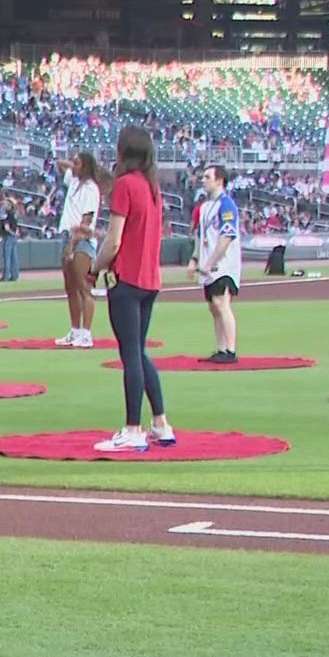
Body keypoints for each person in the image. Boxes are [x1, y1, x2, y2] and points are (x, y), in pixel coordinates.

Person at [94, 125, 173, 453]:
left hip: (126, 278)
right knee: (138, 351)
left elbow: (114, 240)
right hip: (149, 279)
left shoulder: (125, 185)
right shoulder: (152, 187)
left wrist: (94, 268)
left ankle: (133, 427)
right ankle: (160, 422)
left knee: (131, 355)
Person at [187, 164, 241, 364]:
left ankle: (231, 350)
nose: (203, 180)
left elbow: (227, 237)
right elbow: (200, 237)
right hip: (208, 265)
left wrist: (210, 262)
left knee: (222, 303)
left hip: (223, 265)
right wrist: (194, 259)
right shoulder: (204, 208)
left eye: (207, 177)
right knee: (213, 307)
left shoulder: (226, 205)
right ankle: (221, 348)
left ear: (219, 181)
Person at [56, 151, 104, 347]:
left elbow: (86, 220)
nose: (72, 167)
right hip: (67, 233)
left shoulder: (91, 188)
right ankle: (75, 330)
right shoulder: (74, 181)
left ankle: (86, 333)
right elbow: (60, 164)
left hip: (81, 238)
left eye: (77, 164)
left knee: (84, 286)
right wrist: (73, 163)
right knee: (70, 287)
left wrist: (72, 245)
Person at [0, 197, 21, 282]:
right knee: (14, 257)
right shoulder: (14, 213)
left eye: (5, 204)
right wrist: (15, 234)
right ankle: (15, 276)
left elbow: (6, 228)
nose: (4, 205)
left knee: (7, 257)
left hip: (8, 236)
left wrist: (12, 233)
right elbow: (17, 227)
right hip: (14, 237)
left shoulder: (7, 214)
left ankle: (5, 276)